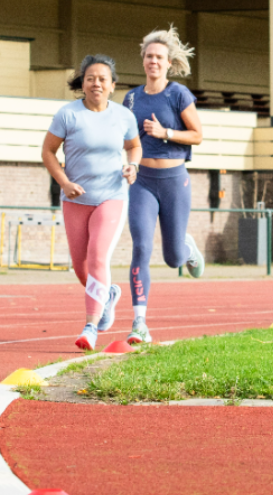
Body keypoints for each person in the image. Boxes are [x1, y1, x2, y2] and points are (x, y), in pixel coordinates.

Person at [43, 54, 141, 350]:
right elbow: (48, 152)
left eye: (102, 79)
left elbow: (134, 146)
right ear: (82, 84)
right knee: (80, 266)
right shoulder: (68, 114)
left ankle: (90, 327)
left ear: (112, 85)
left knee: (99, 255)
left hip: (111, 196)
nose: (96, 83)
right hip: (75, 199)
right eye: (90, 78)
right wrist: (64, 182)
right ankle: (107, 294)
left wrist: (132, 166)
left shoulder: (123, 116)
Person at [122, 27, 205, 345]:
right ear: (142, 60)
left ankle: (186, 247)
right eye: (148, 57)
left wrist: (164, 133)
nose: (153, 61)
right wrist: (127, 161)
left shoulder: (178, 94)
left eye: (159, 57)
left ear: (168, 62)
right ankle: (139, 322)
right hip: (142, 180)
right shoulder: (131, 97)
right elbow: (127, 139)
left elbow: (197, 135)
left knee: (172, 259)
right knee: (141, 246)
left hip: (174, 180)